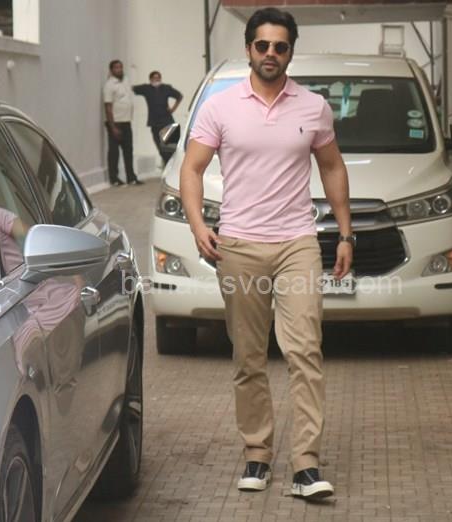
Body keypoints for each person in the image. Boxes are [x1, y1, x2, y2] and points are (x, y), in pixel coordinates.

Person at [180, 7, 353, 500]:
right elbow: (192, 168)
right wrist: (198, 225)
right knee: (249, 356)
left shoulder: (313, 107)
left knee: (305, 351)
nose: (271, 53)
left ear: (291, 51)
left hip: (298, 243)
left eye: (280, 46)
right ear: (248, 49)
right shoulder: (220, 107)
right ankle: (257, 454)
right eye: (262, 45)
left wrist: (345, 234)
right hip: (239, 245)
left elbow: (332, 167)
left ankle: (306, 465)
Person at [103, 59, 142, 186]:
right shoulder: (109, 85)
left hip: (126, 121)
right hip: (115, 123)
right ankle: (114, 179)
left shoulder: (126, 80)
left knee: (128, 150)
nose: (119, 69)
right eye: (116, 67)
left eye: (120, 67)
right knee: (114, 152)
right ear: (111, 70)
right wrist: (113, 126)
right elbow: (108, 106)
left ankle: (131, 177)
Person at [133, 71, 183, 166]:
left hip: (167, 121)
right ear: (150, 79)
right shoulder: (146, 89)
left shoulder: (166, 88)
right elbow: (132, 89)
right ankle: (167, 165)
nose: (157, 80)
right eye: (154, 78)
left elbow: (179, 96)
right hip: (154, 122)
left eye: (158, 78)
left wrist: (173, 108)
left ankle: (172, 166)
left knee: (171, 148)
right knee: (161, 148)